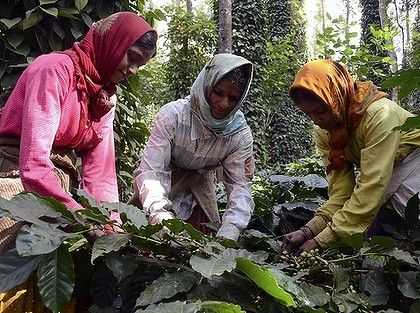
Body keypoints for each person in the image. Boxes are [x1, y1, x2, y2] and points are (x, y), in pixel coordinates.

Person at [0, 12, 157, 312]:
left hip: (55, 185)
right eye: (133, 58)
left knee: (85, 258)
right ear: (112, 44)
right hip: (13, 172)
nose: (134, 70)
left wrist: (110, 227)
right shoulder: (54, 70)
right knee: (11, 234)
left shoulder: (104, 99)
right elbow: (34, 163)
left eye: (141, 65)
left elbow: (101, 176)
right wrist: (80, 217)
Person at [283, 59, 420, 254]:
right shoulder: (325, 132)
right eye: (309, 114)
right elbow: (342, 192)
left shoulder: (379, 114)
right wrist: (308, 231)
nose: (317, 120)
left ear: (337, 97)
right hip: (385, 176)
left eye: (322, 110)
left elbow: (373, 185)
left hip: (413, 164)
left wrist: (321, 241)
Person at [132, 53, 255, 241]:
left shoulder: (238, 134)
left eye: (233, 98)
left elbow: (239, 186)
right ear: (207, 86)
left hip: (201, 187)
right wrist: (158, 213)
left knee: (202, 246)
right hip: (164, 181)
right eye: (218, 93)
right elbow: (152, 170)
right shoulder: (173, 116)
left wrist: (231, 230)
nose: (224, 103)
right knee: (144, 241)